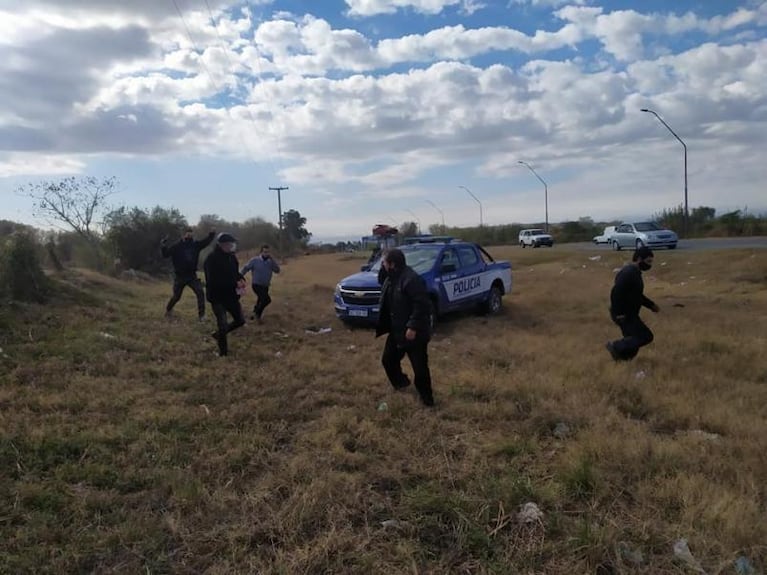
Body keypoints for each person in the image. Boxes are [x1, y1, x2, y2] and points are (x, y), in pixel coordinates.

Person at [376, 248, 435, 407]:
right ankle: (401, 383)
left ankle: (427, 400)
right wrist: (384, 266)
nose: (382, 264)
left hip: (414, 333)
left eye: (384, 262)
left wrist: (413, 326)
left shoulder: (412, 279)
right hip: (397, 330)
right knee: (388, 360)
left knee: (420, 369)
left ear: (392, 264)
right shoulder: (391, 277)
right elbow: (380, 279)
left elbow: (422, 305)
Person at [606, 246, 660, 361]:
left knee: (632, 341)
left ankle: (622, 360)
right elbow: (616, 293)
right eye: (648, 261)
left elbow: (637, 296)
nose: (650, 265)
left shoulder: (635, 273)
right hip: (624, 314)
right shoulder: (629, 273)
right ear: (639, 259)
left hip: (629, 313)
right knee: (645, 336)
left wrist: (651, 305)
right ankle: (615, 346)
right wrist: (619, 313)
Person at [203, 233, 246, 357]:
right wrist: (234, 284)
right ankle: (223, 353)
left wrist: (241, 279)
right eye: (229, 244)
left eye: (233, 244)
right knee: (222, 325)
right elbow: (213, 280)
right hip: (217, 297)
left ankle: (217, 335)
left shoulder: (232, 258)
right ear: (221, 245)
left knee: (240, 321)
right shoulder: (211, 259)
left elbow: (235, 273)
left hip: (231, 297)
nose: (232, 247)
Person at [161, 227, 215, 321]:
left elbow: (206, 242)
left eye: (191, 232)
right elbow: (166, 255)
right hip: (180, 276)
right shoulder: (177, 246)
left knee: (200, 293)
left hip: (192, 276)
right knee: (176, 297)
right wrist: (163, 245)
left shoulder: (195, 245)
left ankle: (201, 316)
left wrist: (211, 234)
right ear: (183, 234)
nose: (189, 234)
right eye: (187, 233)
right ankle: (168, 310)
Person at [240, 244, 281, 323]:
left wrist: (273, 261)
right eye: (265, 252)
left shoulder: (270, 262)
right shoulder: (255, 260)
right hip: (256, 284)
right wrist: (240, 276)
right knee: (266, 300)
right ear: (261, 252)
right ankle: (257, 314)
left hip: (265, 285)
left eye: (268, 252)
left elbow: (277, 270)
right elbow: (246, 268)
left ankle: (255, 314)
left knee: (260, 300)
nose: (266, 254)